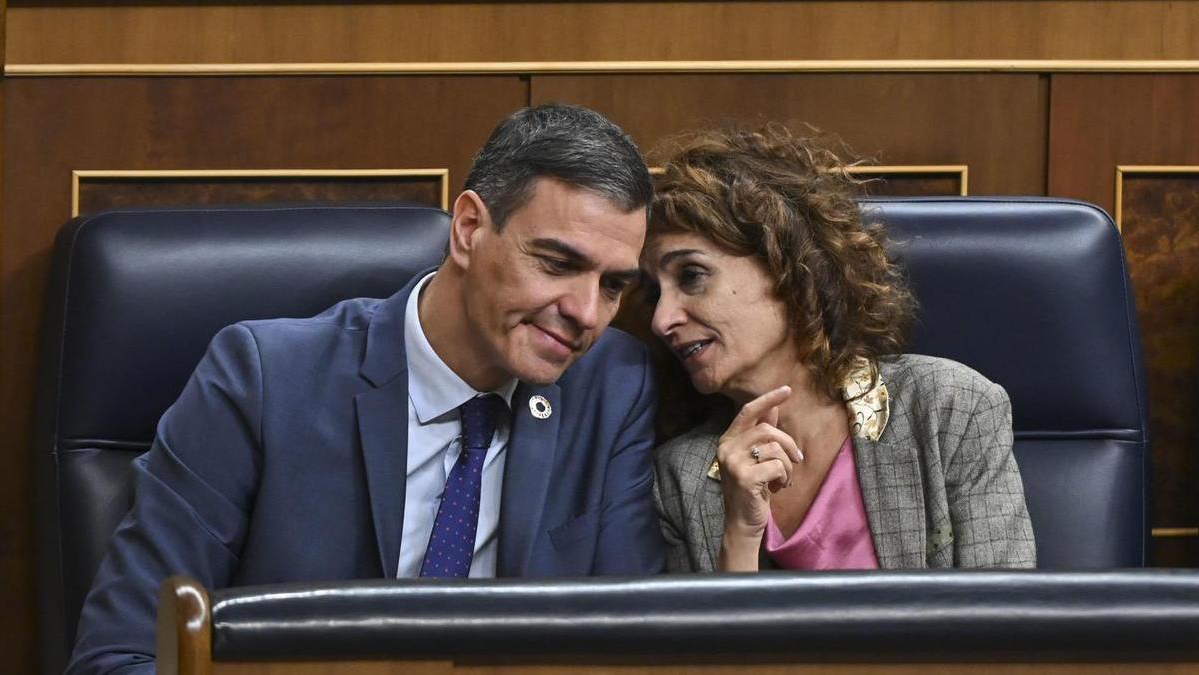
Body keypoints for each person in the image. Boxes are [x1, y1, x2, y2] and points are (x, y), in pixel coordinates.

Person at [68, 104, 665, 674]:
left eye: (613, 285)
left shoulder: (611, 387)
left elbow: (632, 651)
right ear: (468, 228)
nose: (587, 312)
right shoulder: (261, 381)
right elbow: (123, 655)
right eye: (557, 264)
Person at [643, 125, 1036, 572]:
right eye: (654, 293)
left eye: (692, 275)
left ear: (787, 268)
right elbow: (712, 643)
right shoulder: (678, 477)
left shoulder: (950, 409)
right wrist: (739, 536)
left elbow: (1006, 626)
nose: (661, 319)